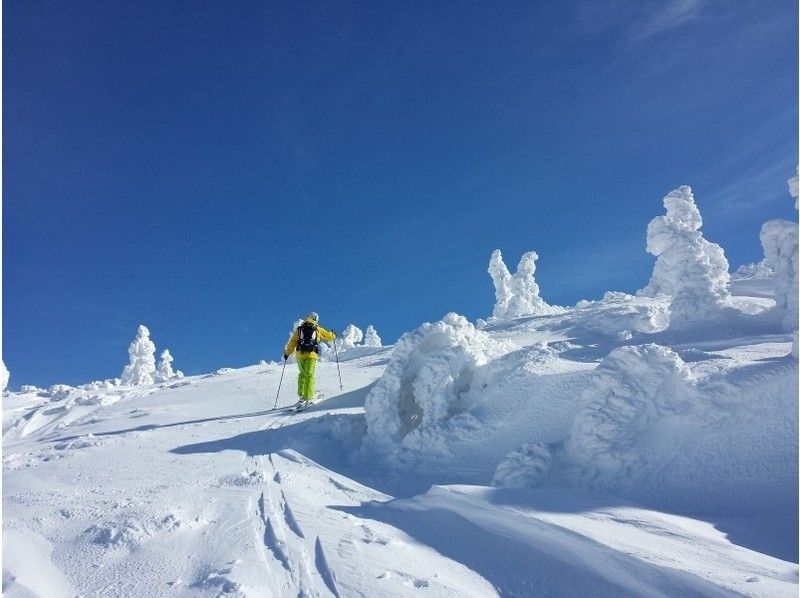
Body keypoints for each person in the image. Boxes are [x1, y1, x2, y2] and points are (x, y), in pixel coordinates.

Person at [283, 312, 336, 405]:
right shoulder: (317, 329)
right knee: (309, 375)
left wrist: (287, 353)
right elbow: (328, 335)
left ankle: (302, 396)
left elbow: (292, 342)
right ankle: (309, 398)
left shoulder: (299, 330)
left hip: (300, 354)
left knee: (302, 374)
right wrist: (333, 334)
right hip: (311, 355)